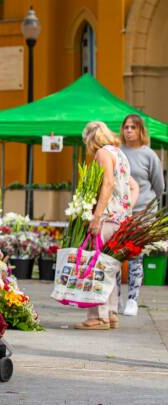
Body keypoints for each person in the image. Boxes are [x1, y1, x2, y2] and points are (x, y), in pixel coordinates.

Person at [74, 121, 139, 330]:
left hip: (107, 219)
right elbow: (133, 186)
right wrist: (125, 207)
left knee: (97, 266)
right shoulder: (120, 154)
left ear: (92, 138)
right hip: (120, 219)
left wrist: (97, 215)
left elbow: (109, 183)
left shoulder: (102, 153)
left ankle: (97, 317)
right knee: (109, 267)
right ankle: (111, 314)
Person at [119, 114, 165, 316]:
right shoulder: (118, 152)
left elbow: (159, 186)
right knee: (117, 256)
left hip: (142, 213)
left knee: (136, 256)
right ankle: (116, 298)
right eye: (126, 127)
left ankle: (132, 299)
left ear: (140, 131)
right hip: (121, 212)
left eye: (133, 127)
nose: (128, 130)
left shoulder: (149, 155)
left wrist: (148, 208)